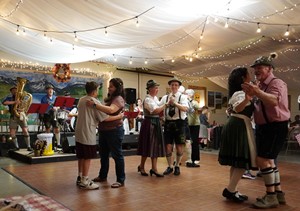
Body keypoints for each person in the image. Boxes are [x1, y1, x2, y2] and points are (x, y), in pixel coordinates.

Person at [242, 53, 290, 208]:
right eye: (255, 68)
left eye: (259, 67)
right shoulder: (260, 85)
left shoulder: (277, 83)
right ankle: (278, 194)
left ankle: (270, 197)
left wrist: (256, 92)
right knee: (269, 161)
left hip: (275, 126)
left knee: (262, 160)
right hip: (265, 127)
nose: (256, 71)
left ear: (269, 68)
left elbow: (273, 101)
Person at [75, 81, 123, 190]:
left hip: (80, 131)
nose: (108, 88)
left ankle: (80, 176)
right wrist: (119, 116)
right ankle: (85, 180)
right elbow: (105, 118)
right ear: (94, 91)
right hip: (88, 131)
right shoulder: (93, 101)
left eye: (111, 86)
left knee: (81, 155)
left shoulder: (82, 100)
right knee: (87, 156)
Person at [218, 67, 257, 203]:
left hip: (235, 124)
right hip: (239, 125)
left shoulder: (237, 93)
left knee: (236, 161)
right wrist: (247, 99)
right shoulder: (240, 93)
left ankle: (232, 190)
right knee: (241, 160)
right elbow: (237, 108)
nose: (250, 75)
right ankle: (229, 190)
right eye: (248, 73)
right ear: (242, 78)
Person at [88, 78, 126, 188]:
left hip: (114, 130)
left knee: (117, 155)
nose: (109, 88)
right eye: (109, 86)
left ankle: (120, 179)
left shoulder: (118, 99)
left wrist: (94, 104)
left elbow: (110, 110)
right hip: (104, 130)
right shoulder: (111, 98)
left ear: (117, 88)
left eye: (111, 86)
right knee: (103, 155)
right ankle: (103, 176)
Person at [137, 80, 166, 177]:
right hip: (149, 123)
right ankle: (142, 166)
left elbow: (158, 108)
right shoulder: (148, 99)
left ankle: (154, 168)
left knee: (155, 145)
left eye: (157, 88)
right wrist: (165, 105)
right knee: (147, 145)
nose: (157, 90)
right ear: (150, 89)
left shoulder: (155, 98)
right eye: (155, 88)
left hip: (155, 123)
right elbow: (155, 111)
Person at [160, 77, 189, 176]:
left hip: (180, 123)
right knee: (168, 146)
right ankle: (169, 166)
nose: (174, 86)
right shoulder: (165, 97)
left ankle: (177, 166)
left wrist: (175, 103)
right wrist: (162, 116)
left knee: (179, 147)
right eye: (172, 85)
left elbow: (185, 109)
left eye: (176, 85)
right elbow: (159, 108)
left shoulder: (183, 97)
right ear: (170, 86)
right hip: (168, 123)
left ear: (179, 86)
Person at [2, 86, 32, 151]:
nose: (15, 91)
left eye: (16, 90)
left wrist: (23, 108)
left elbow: (28, 103)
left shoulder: (22, 97)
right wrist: (15, 102)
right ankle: (16, 147)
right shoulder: (9, 97)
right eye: (13, 90)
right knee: (12, 132)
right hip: (13, 116)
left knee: (25, 130)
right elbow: (4, 102)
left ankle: (29, 146)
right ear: (11, 91)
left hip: (21, 115)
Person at [185, 89, 201, 168]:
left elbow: (197, 108)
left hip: (195, 124)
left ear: (191, 95)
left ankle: (195, 159)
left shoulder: (195, 102)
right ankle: (189, 159)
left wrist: (189, 101)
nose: (185, 95)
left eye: (187, 93)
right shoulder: (184, 102)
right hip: (187, 124)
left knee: (194, 142)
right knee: (188, 142)